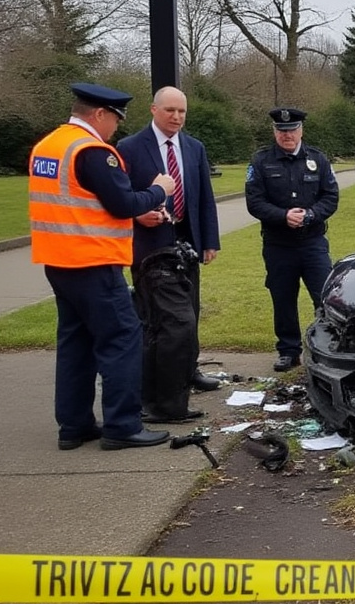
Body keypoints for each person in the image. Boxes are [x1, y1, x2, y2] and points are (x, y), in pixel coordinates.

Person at [28, 83, 175, 451]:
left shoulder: (48, 146)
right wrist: (159, 190)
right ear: (100, 114)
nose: (116, 129)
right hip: (93, 261)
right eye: (115, 120)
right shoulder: (93, 151)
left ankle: (73, 426)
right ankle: (122, 426)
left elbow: (83, 200)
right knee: (122, 339)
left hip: (59, 260)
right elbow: (122, 202)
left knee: (75, 343)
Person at [115, 88, 223, 421]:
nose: (176, 117)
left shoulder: (193, 148)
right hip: (150, 249)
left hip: (186, 245)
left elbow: (204, 196)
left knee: (189, 314)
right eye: (170, 111)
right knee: (164, 322)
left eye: (182, 112)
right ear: (154, 109)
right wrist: (136, 214)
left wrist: (210, 240)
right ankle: (157, 395)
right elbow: (120, 197)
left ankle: (186, 372)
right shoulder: (129, 148)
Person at [245, 108, 339, 372]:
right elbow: (254, 202)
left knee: (324, 296)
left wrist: (309, 215)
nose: (287, 135)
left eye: (292, 130)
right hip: (278, 244)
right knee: (283, 298)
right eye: (282, 131)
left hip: (312, 242)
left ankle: (328, 346)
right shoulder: (261, 161)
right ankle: (288, 350)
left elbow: (330, 197)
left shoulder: (318, 160)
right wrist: (283, 216)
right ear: (275, 132)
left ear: (301, 131)